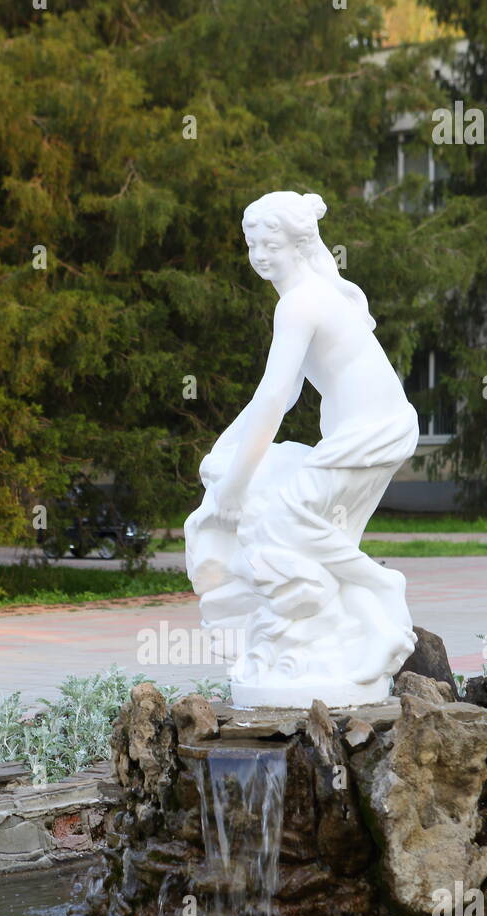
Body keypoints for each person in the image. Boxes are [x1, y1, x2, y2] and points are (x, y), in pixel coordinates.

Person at [185, 190, 419, 708]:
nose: (260, 255)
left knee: (286, 521)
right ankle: (346, 631)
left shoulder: (300, 302)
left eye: (270, 243)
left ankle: (382, 595)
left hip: (371, 433)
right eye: (251, 244)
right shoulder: (310, 295)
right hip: (370, 431)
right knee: (313, 528)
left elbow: (272, 401)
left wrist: (234, 487)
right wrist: (226, 456)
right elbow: (282, 396)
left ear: (299, 243)